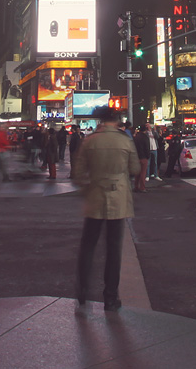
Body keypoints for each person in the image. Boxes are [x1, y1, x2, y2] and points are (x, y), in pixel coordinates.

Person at [71, 106, 141, 311]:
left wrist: (88, 189)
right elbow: (135, 169)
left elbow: (78, 174)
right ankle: (110, 297)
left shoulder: (90, 140)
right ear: (117, 120)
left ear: (99, 120)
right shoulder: (124, 140)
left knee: (88, 247)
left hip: (95, 197)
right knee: (113, 249)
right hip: (118, 198)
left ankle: (82, 292)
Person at [132, 124, 150, 193]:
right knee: (143, 173)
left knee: (137, 173)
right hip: (143, 157)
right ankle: (142, 187)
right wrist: (148, 156)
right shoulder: (145, 137)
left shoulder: (136, 137)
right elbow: (147, 148)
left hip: (137, 156)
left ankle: (136, 186)